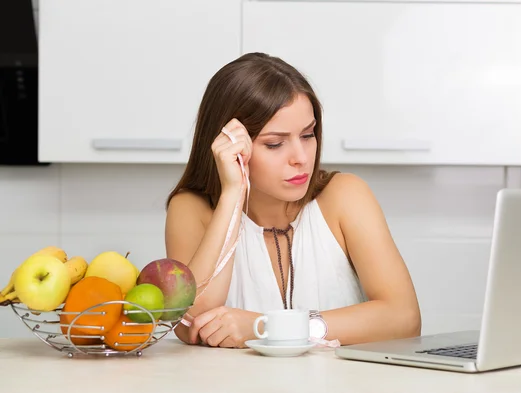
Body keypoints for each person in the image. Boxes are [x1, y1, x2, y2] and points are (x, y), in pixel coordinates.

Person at [164, 52, 421, 348]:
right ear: (232, 147)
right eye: (275, 144)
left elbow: (404, 317)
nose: (301, 158)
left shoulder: (345, 196)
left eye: (308, 135)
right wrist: (233, 192)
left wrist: (269, 328)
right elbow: (192, 323)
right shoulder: (191, 209)